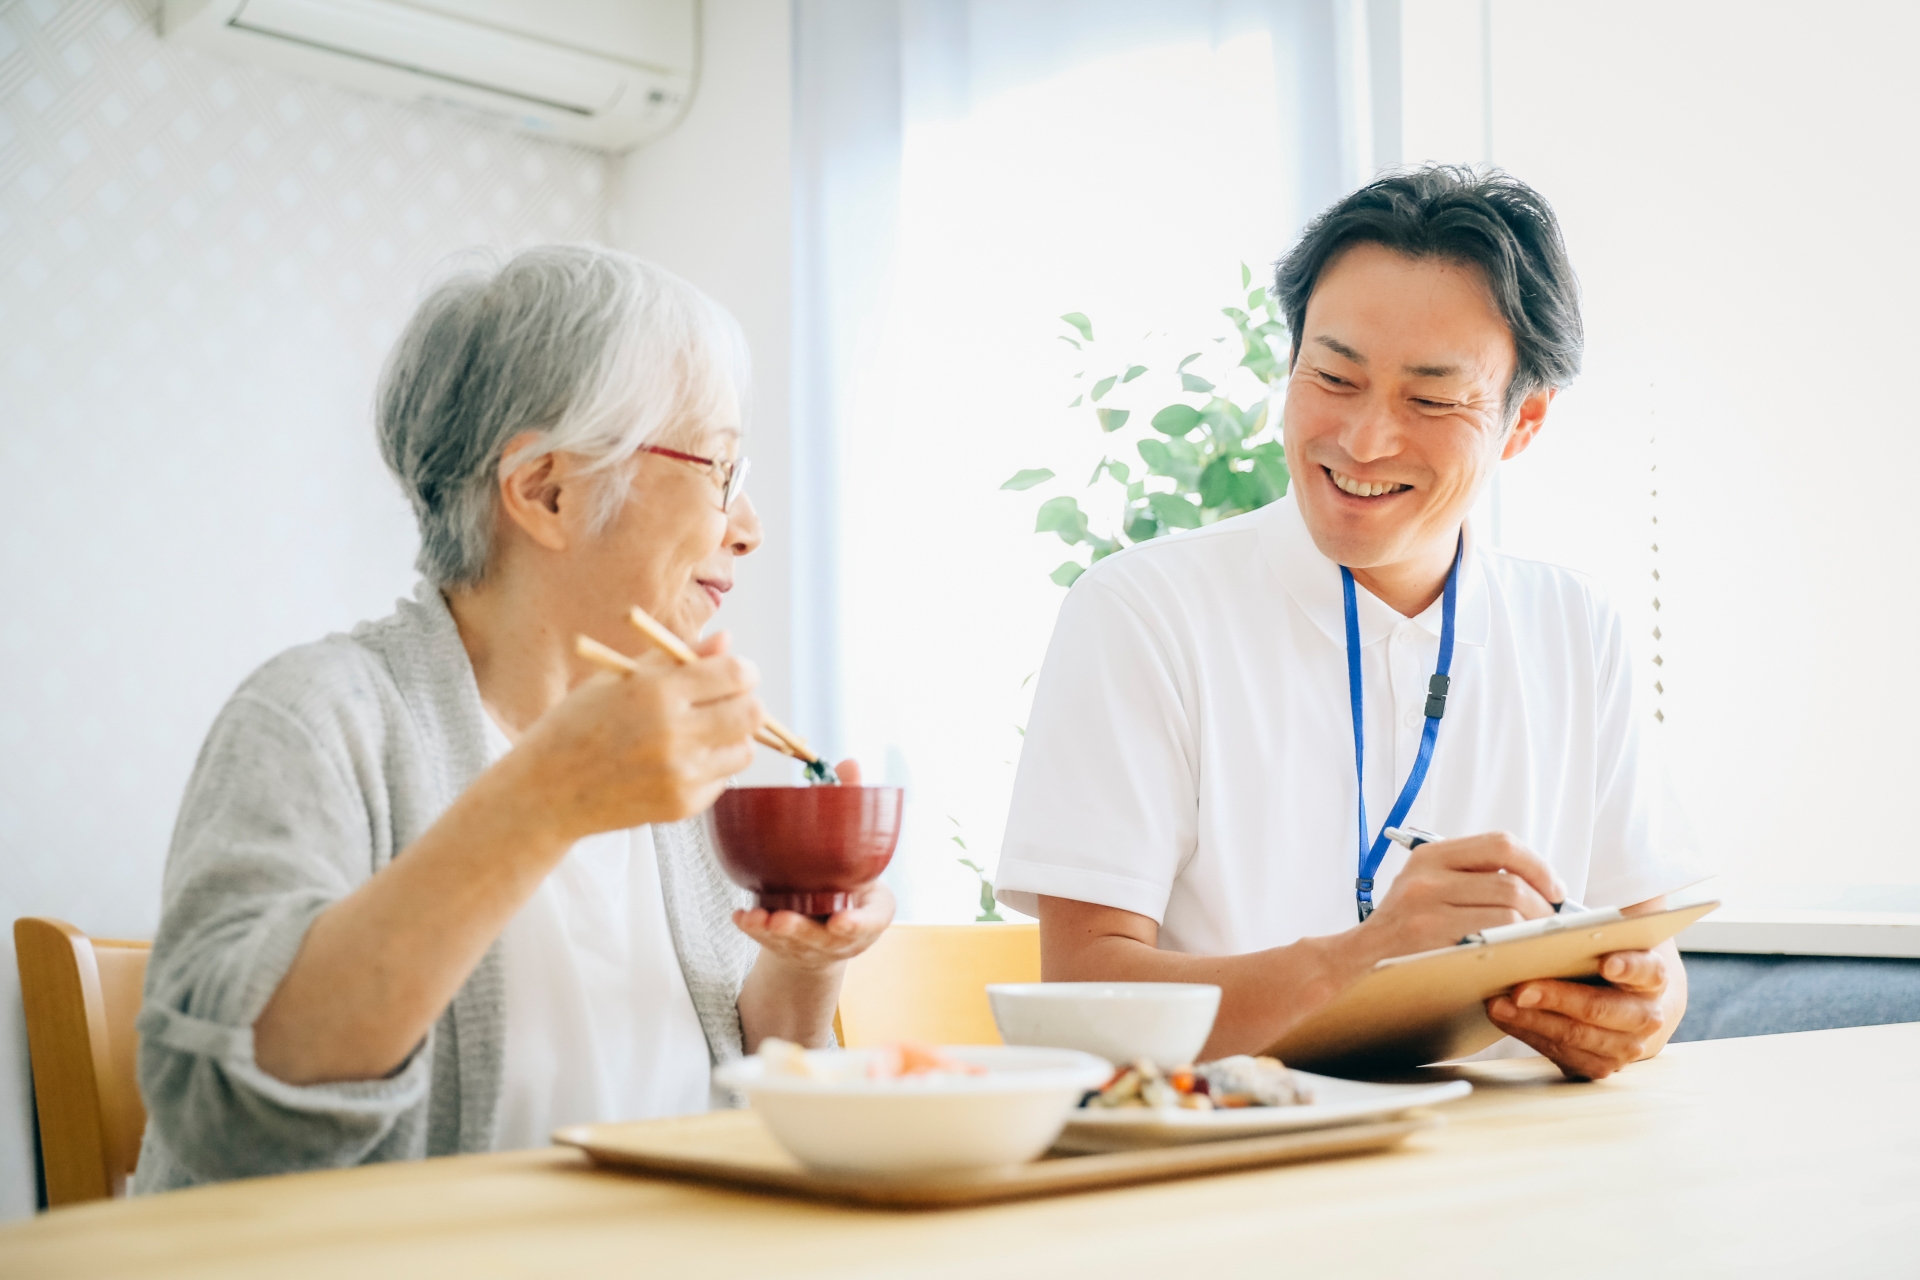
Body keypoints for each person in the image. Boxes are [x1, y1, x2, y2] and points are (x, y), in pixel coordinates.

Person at [133, 246, 892, 1191]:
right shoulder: (317, 718)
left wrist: (809, 966)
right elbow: (231, 1118)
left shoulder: (671, 760)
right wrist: (543, 800)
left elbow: (724, 1089)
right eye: (722, 469)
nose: (750, 527)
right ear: (545, 491)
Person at [995, 166, 1698, 1082]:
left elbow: (1652, 954)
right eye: (1333, 376)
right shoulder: (1143, 612)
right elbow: (1083, 1002)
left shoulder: (1576, 626)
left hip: (1499, 1168)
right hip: (1226, 1172)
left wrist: (1638, 1013)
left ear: (1523, 420)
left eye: (1432, 399)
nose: (1364, 441)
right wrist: (1364, 958)